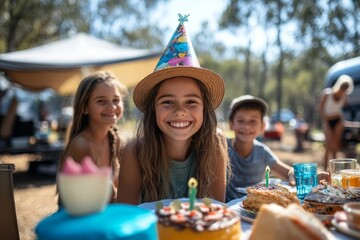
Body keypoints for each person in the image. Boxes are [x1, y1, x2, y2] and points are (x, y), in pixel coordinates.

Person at [117, 14, 230, 204]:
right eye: (168, 102)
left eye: (191, 102)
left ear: (205, 109)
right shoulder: (134, 151)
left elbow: (216, 210)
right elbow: (125, 217)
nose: (180, 111)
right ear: (153, 108)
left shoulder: (216, 143)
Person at [226, 95, 329, 202]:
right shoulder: (222, 148)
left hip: (254, 208)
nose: (246, 126)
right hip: (227, 210)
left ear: (262, 126)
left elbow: (288, 172)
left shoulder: (262, 152)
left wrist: (313, 177)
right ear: (231, 124)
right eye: (241, 121)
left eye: (253, 121)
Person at [57, 71, 128, 205]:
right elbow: (106, 198)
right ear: (84, 108)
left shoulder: (115, 140)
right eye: (101, 101)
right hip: (79, 221)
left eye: (116, 100)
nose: (112, 107)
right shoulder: (81, 145)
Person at [319, 74, 354, 171]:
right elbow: (321, 111)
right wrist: (330, 117)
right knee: (328, 146)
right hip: (327, 121)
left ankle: (334, 170)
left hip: (338, 122)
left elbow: (345, 106)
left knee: (336, 146)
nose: (342, 92)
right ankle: (325, 169)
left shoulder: (344, 97)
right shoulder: (327, 94)